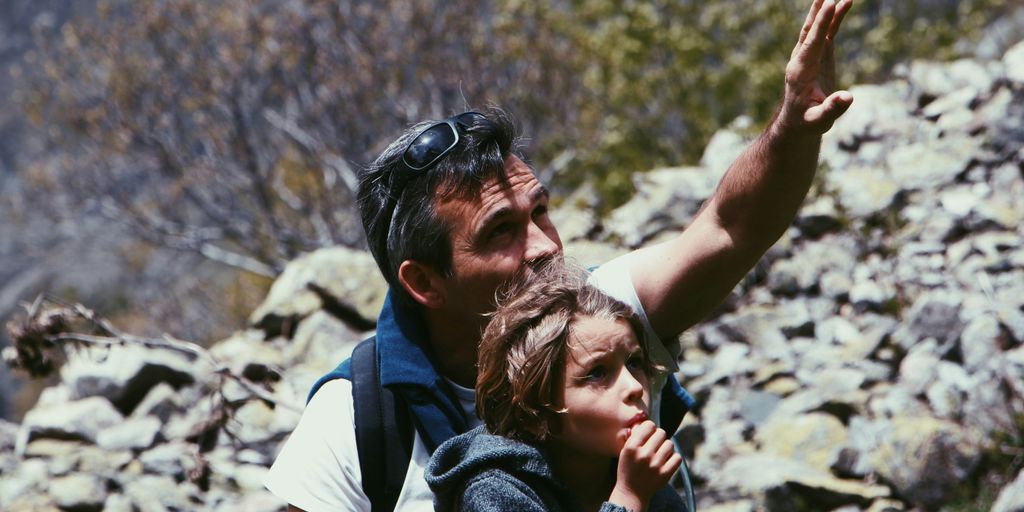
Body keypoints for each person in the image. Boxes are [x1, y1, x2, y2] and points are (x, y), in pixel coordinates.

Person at [265, 0, 855, 510]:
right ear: (424, 281)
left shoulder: (601, 320)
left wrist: (793, 129)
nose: (546, 246)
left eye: (540, 212)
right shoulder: (356, 423)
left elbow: (731, 226)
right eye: (501, 232)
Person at [426, 261, 686, 512]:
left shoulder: (646, 482)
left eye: (634, 363)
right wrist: (628, 499)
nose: (634, 387)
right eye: (597, 373)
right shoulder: (495, 490)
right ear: (534, 410)